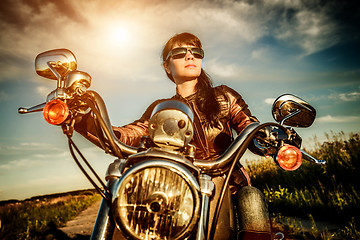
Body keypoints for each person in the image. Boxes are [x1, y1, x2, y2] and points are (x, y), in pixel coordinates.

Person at [76, 32, 271, 239]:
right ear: (167, 66)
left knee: (252, 198)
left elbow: (248, 124)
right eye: (179, 52)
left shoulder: (224, 96)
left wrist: (267, 139)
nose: (190, 56)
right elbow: (128, 135)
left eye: (196, 52)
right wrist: (80, 120)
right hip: (178, 191)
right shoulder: (161, 109)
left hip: (228, 186)